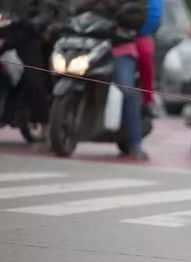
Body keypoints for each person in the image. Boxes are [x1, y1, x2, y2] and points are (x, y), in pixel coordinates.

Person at [78, 0, 149, 160]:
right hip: (88, 44)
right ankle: (48, 131)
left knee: (127, 91)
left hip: (119, 48)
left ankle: (135, 143)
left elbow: (140, 14)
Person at [0, 0, 69, 150]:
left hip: (29, 37)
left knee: (33, 80)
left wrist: (30, 21)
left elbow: (51, 12)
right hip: (6, 33)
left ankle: (44, 121)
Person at [136, 0, 163, 118]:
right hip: (105, 31)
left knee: (145, 55)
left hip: (139, 33)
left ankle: (148, 100)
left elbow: (154, 15)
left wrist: (140, 30)